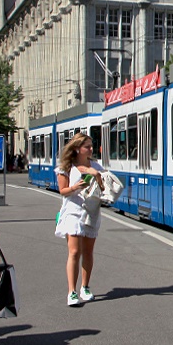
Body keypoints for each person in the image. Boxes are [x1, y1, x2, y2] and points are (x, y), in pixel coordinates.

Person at [55, 132, 103, 307]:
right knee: (74, 252)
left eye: (91, 146)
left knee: (88, 252)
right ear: (77, 149)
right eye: (87, 146)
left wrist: (97, 176)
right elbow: (62, 191)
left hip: (91, 212)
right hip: (73, 211)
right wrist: (75, 187)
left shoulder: (96, 166)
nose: (91, 149)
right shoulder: (66, 167)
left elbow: (104, 191)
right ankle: (71, 291)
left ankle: (85, 287)